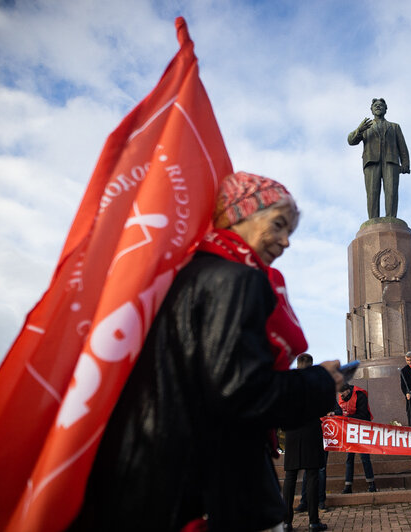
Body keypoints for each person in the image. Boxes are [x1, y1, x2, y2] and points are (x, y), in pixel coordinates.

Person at [69, 172, 344, 532]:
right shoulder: (237, 279)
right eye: (278, 225)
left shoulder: (187, 273)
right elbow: (241, 392)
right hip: (218, 490)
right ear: (239, 215)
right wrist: (319, 381)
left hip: (162, 482)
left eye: (289, 232)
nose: (285, 242)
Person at [282, 354, 329, 531]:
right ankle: (313, 521)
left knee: (290, 477)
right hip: (310, 432)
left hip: (293, 434)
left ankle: (286, 523)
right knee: (312, 476)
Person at [347, 98, 410, 219]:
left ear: (386, 109)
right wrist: (359, 130)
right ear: (371, 110)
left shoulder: (395, 127)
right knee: (372, 193)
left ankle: (391, 219)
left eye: (381, 105)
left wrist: (405, 163)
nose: (378, 107)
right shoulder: (366, 127)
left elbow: (402, 146)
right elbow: (351, 141)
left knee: (391, 192)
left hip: (391, 161)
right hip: (371, 162)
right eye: (375, 105)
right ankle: (373, 221)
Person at [335, 383, 378, 493]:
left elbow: (364, 415)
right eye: (339, 393)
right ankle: (348, 485)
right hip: (349, 430)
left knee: (364, 457)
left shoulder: (360, 395)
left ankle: (371, 484)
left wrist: (346, 418)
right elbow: (339, 411)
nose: (341, 396)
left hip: (361, 429)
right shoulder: (342, 396)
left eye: (342, 393)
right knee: (349, 458)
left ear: (348, 391)